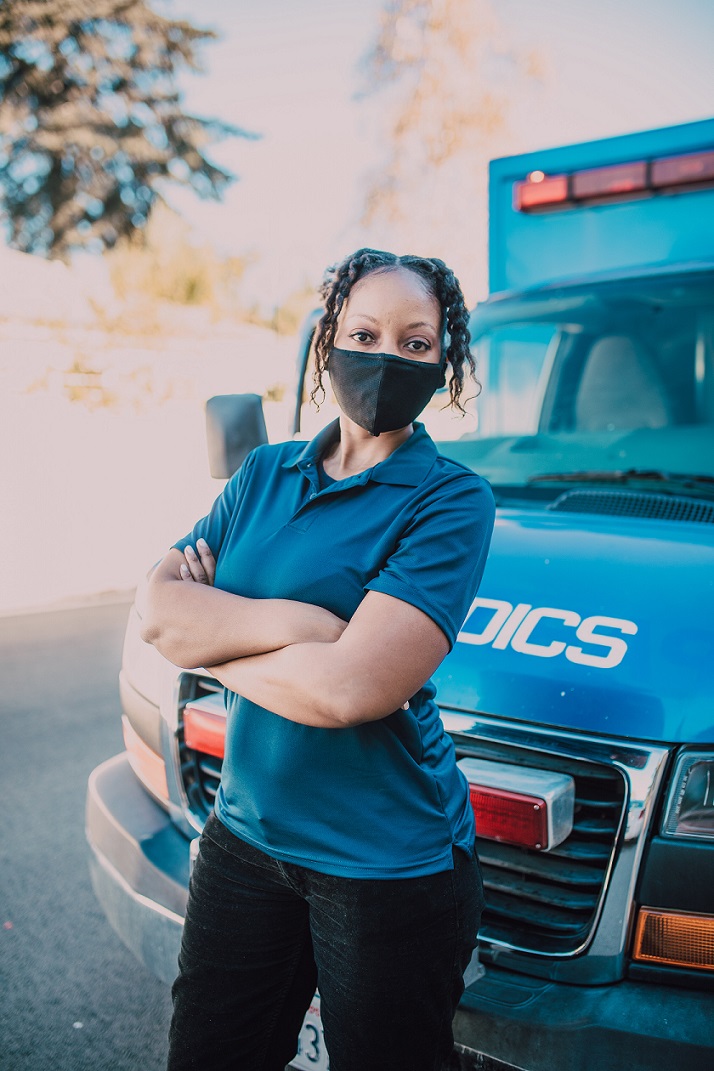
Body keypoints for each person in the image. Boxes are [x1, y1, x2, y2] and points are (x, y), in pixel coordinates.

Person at [142, 247, 496, 1071]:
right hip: (245, 834)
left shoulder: (451, 500)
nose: (386, 356)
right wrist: (303, 625)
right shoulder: (263, 471)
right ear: (326, 341)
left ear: (444, 364)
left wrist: (217, 638)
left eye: (416, 342)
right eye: (364, 332)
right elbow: (157, 611)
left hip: (386, 863)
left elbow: (350, 691)